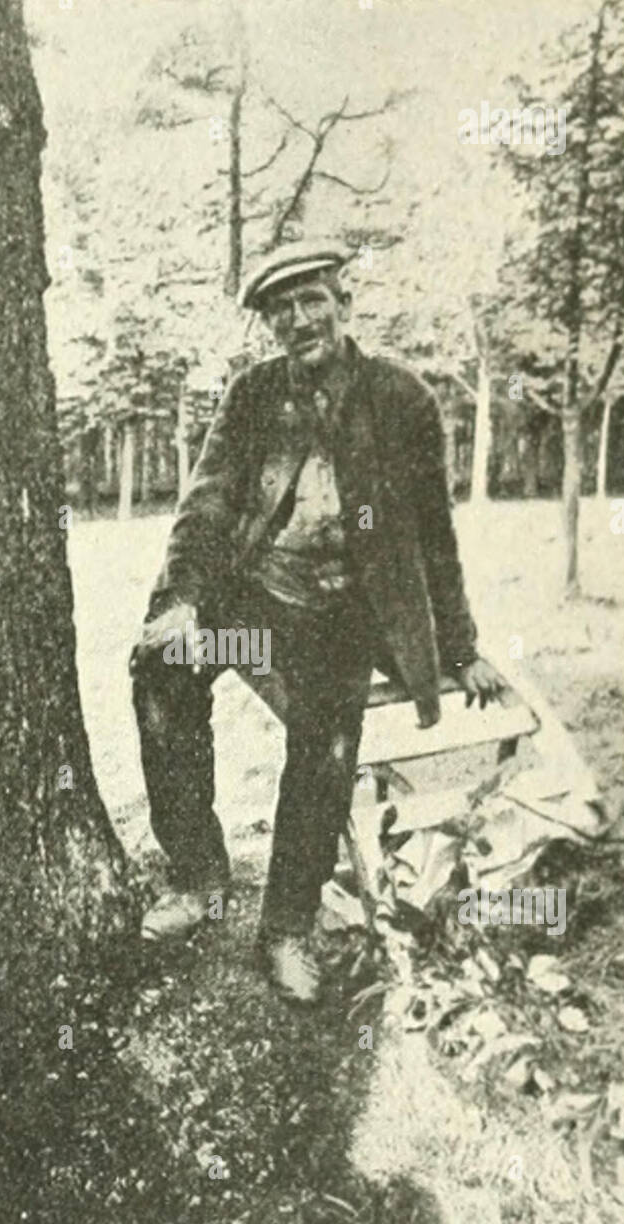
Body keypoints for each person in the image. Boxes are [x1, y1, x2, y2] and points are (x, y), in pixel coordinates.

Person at [130, 242, 503, 1002]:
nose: (299, 320)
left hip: (343, 614)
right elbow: (206, 505)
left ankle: (287, 928)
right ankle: (200, 876)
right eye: (281, 309)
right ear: (269, 323)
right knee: (163, 669)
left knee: (327, 742)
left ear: (343, 303)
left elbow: (434, 533)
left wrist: (459, 649)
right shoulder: (253, 396)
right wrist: (183, 601)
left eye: (312, 301)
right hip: (255, 606)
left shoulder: (403, 401)